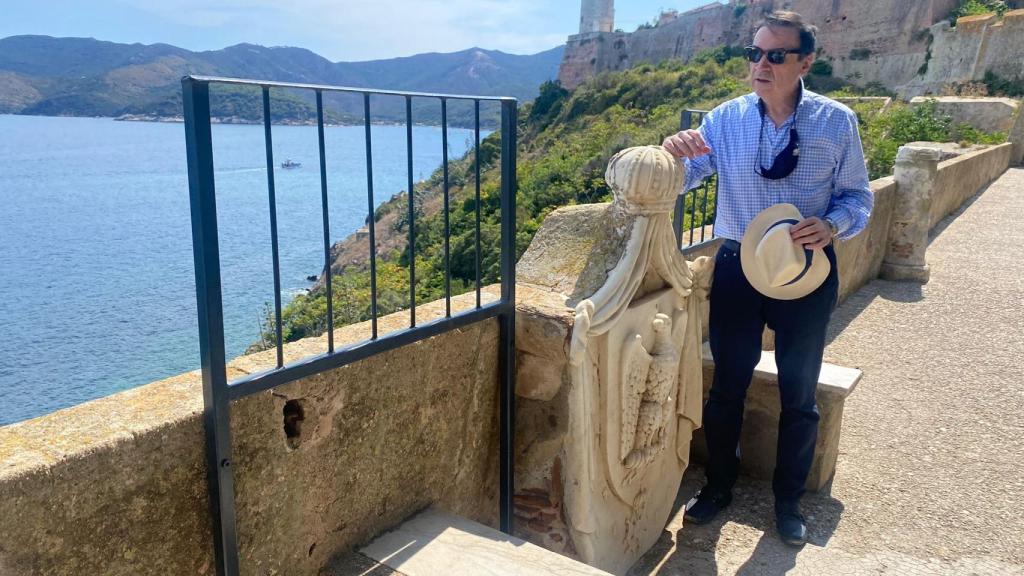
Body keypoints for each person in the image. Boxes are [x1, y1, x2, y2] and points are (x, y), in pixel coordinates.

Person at [662, 10, 873, 546]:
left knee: (799, 394)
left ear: (805, 61)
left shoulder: (835, 121)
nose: (760, 64)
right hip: (737, 267)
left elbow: (859, 197)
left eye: (775, 55)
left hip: (807, 270)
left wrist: (832, 224)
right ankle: (719, 487)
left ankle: (788, 501)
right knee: (728, 385)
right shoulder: (725, 118)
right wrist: (669, 153)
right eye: (754, 53)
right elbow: (688, 176)